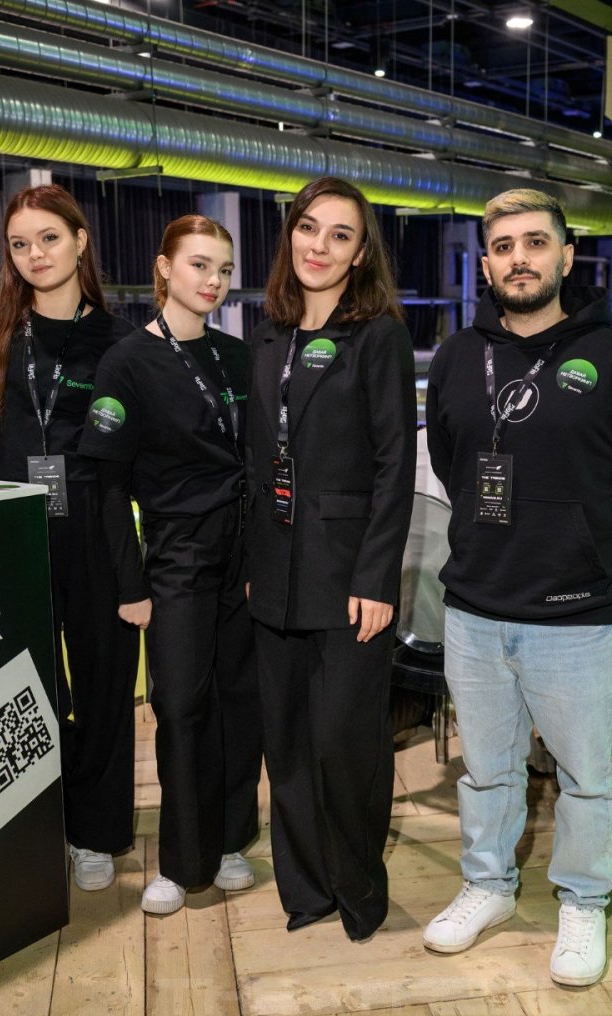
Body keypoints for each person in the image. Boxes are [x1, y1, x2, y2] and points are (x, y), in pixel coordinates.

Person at [422, 188, 612, 986]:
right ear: (487, 264)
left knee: (586, 777)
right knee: (487, 768)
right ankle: (489, 883)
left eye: (535, 242)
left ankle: (583, 900)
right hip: (475, 606)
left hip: (578, 614)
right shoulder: (459, 356)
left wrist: (606, 558)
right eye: (503, 246)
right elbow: (451, 459)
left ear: (568, 256)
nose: (519, 259)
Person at [0, 184, 138, 892]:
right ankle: (37, 825)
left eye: (49, 239)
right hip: (14, 526)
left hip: (94, 525)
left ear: (80, 241)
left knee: (104, 683)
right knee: (25, 688)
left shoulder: (121, 341)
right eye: (20, 244)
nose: (35, 255)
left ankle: (96, 833)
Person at [244, 176, 417, 942]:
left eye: (339, 234)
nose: (319, 245)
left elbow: (394, 465)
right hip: (274, 576)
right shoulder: (267, 334)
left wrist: (377, 578)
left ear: (360, 253)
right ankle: (307, 889)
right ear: (291, 234)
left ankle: (358, 890)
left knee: (345, 743)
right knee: (285, 743)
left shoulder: (378, 335)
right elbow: (257, 463)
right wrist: (253, 562)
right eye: (309, 227)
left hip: (349, 580)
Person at [79, 215, 263, 914]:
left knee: (239, 700)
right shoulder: (127, 361)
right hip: (179, 552)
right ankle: (183, 862)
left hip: (243, 548)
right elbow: (107, 487)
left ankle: (231, 840)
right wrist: (132, 583)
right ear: (164, 268)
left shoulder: (236, 356)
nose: (213, 281)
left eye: (223, 269)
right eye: (199, 265)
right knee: (181, 703)